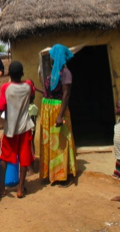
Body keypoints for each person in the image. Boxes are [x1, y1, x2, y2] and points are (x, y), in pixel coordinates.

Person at [0, 61, 35, 198]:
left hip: (10, 129)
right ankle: (20, 189)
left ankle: (1, 188)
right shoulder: (28, 86)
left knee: (4, 156)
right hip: (25, 127)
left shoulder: (5, 88)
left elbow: (1, 107)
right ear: (22, 74)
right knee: (24, 156)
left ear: (9, 74)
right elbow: (32, 97)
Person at [39, 44, 77, 187]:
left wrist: (60, 115)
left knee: (60, 143)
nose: (50, 59)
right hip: (49, 110)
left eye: (52, 56)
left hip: (57, 110)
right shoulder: (55, 72)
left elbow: (66, 95)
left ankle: (63, 175)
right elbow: (48, 92)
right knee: (51, 142)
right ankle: (53, 173)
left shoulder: (65, 73)